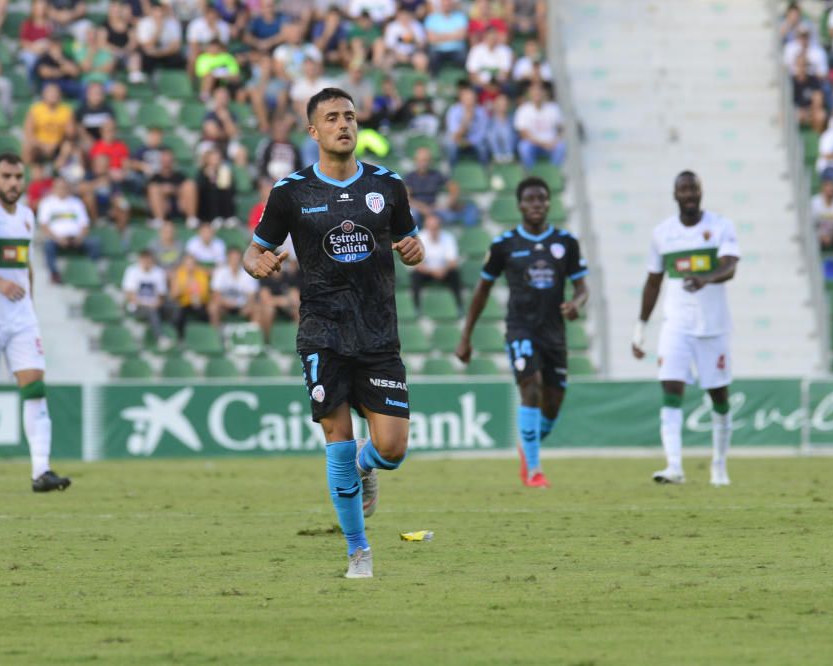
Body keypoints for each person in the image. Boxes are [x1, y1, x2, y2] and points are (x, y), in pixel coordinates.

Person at [244, 87, 424, 579]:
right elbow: (252, 250)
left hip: (379, 334)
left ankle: (369, 468)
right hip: (322, 333)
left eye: (349, 116)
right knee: (337, 440)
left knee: (392, 448)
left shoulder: (388, 186)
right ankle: (358, 552)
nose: (343, 124)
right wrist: (257, 262)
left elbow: (410, 239)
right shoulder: (290, 192)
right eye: (332, 118)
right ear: (314, 131)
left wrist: (415, 249)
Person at [456, 177, 588, 488]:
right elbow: (482, 291)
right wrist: (466, 336)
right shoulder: (505, 245)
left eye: (542, 198)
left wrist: (576, 303)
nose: (536, 204)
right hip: (521, 329)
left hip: (555, 334)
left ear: (548, 203)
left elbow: (582, 287)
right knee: (532, 388)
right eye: (530, 199)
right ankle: (534, 471)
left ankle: (527, 447)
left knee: (552, 407)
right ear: (520, 205)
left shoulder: (566, 243)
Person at [0, 153, 71, 494]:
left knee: (35, 385)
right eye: (6, 176)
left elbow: (26, 267)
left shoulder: (26, 216)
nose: (13, 183)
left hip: (20, 316)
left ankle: (42, 471)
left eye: (18, 177)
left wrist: (30, 307)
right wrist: (0, 283)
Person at [631, 171, 739, 487]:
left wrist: (706, 278)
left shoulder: (720, 226)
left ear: (701, 192)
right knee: (670, 386)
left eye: (694, 189)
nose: (689, 194)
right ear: (675, 194)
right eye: (683, 189)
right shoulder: (663, 234)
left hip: (713, 326)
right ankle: (674, 466)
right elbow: (653, 282)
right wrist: (640, 328)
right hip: (675, 325)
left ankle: (719, 464)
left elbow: (731, 265)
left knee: (718, 395)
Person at [37, 176, 101, 283]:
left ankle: (89, 270)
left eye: (64, 187)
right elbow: (44, 226)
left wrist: (79, 238)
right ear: (54, 188)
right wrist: (58, 239)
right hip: (56, 239)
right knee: (48, 245)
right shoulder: (46, 203)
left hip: (76, 238)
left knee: (95, 243)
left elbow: (85, 224)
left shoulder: (76, 202)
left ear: (69, 189)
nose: (62, 190)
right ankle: (54, 273)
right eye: (59, 187)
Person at [412, 213, 462, 313]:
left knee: (455, 275)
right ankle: (417, 306)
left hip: (444, 271)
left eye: (435, 227)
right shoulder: (420, 237)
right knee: (415, 276)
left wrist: (442, 270)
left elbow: (453, 262)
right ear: (426, 227)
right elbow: (417, 264)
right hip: (427, 272)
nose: (433, 230)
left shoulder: (448, 238)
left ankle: (459, 305)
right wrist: (433, 272)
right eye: (431, 227)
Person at [122, 249, 170, 346]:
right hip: (137, 307)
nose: (147, 263)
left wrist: (157, 303)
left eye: (149, 260)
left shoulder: (158, 272)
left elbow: (161, 295)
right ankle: (160, 337)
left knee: (173, 307)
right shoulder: (132, 271)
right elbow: (130, 295)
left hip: (155, 306)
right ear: (140, 260)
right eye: (145, 260)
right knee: (151, 311)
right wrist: (148, 304)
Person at [22, 82, 75, 166]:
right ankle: (28, 172)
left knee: (68, 146)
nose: (53, 95)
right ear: (44, 94)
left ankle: (58, 171)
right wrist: (43, 145)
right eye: (50, 92)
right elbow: (28, 133)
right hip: (39, 144)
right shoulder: (35, 109)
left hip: (58, 144)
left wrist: (56, 143)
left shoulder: (66, 111)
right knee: (27, 147)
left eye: (56, 92)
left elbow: (70, 134)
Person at [209, 245, 261, 328]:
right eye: (232, 258)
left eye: (237, 258)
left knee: (257, 308)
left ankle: (253, 334)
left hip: (243, 306)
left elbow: (252, 295)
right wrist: (227, 303)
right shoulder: (220, 272)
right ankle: (216, 335)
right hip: (224, 306)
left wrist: (247, 305)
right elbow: (216, 294)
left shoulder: (247, 273)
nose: (235, 261)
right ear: (228, 258)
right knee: (213, 307)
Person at [147, 148, 200, 228]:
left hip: (181, 206)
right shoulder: (155, 178)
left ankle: (191, 219)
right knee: (153, 188)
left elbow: (187, 188)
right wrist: (163, 191)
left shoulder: (179, 176)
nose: (167, 162)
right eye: (164, 159)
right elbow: (149, 195)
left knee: (190, 185)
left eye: (169, 159)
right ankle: (159, 220)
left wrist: (174, 190)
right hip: (164, 207)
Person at [170, 252, 210, 339]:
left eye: (192, 264)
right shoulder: (179, 273)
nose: (190, 266)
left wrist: (197, 296)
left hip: (199, 302)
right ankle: (180, 338)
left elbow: (205, 293)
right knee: (178, 315)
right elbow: (173, 294)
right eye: (187, 264)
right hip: (183, 303)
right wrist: (185, 287)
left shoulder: (201, 273)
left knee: (205, 313)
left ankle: (202, 337)